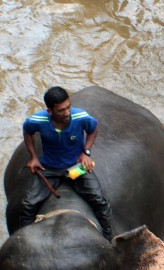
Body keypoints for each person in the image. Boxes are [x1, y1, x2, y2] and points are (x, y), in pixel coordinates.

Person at [19, 86, 113, 241]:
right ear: (50, 111)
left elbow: (94, 128)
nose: (67, 113)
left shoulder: (81, 117)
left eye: (68, 107)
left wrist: (86, 152)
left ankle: (109, 239)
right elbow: (27, 131)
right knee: (28, 204)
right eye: (61, 110)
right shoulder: (38, 121)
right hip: (49, 168)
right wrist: (33, 157)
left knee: (99, 201)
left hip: (76, 168)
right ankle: (24, 241)